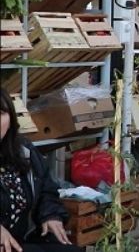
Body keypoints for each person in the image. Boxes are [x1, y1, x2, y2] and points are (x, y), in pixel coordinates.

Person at [1, 89, 80, 252]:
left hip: (21, 238)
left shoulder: (23, 150)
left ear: (10, 118)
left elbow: (46, 188)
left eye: (1, 113)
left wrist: (50, 214)